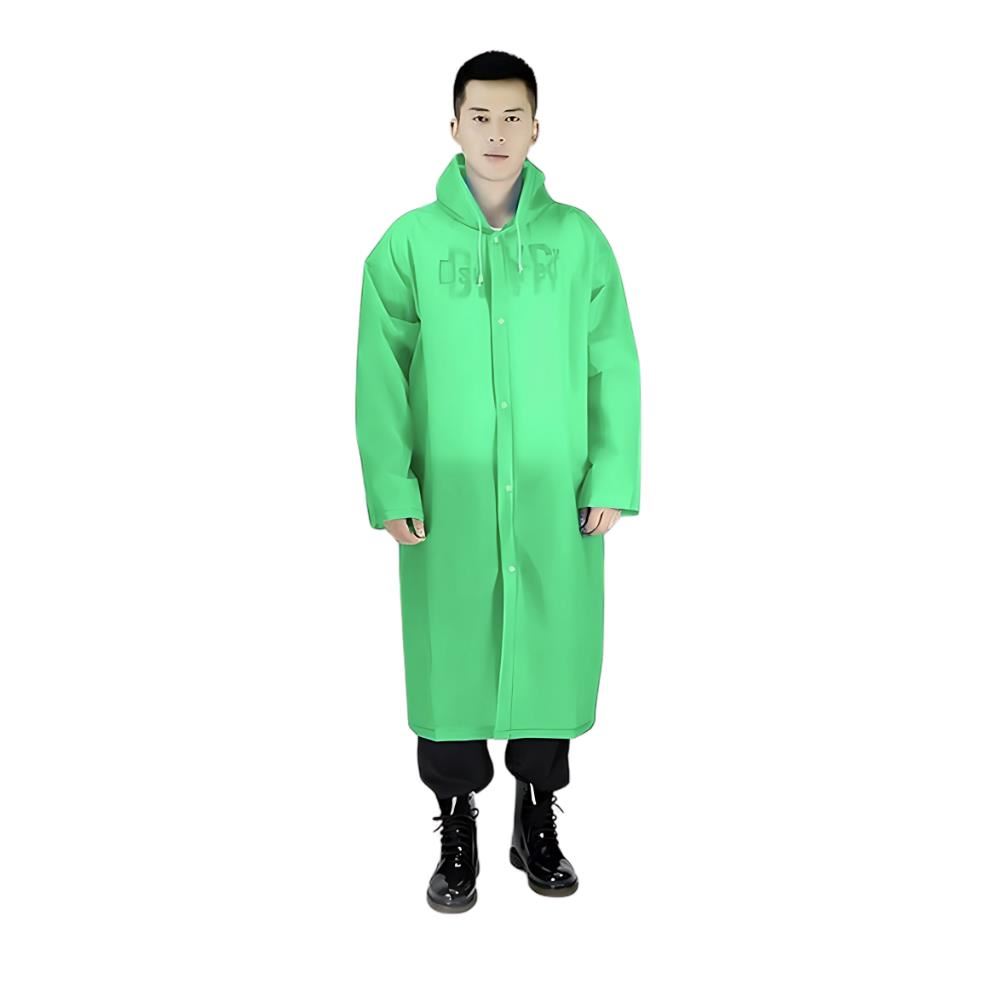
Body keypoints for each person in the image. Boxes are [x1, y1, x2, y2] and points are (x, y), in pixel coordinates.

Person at [354, 50, 641, 913]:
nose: (496, 133)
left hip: (556, 496)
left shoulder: (578, 240)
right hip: (449, 503)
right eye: (479, 116)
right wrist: (392, 485)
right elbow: (379, 373)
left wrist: (612, 472)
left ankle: (536, 815)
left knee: (553, 651)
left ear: (537, 128)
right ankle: (456, 825)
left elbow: (611, 362)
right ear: (453, 127)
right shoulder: (407, 245)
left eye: (513, 117)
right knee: (450, 658)